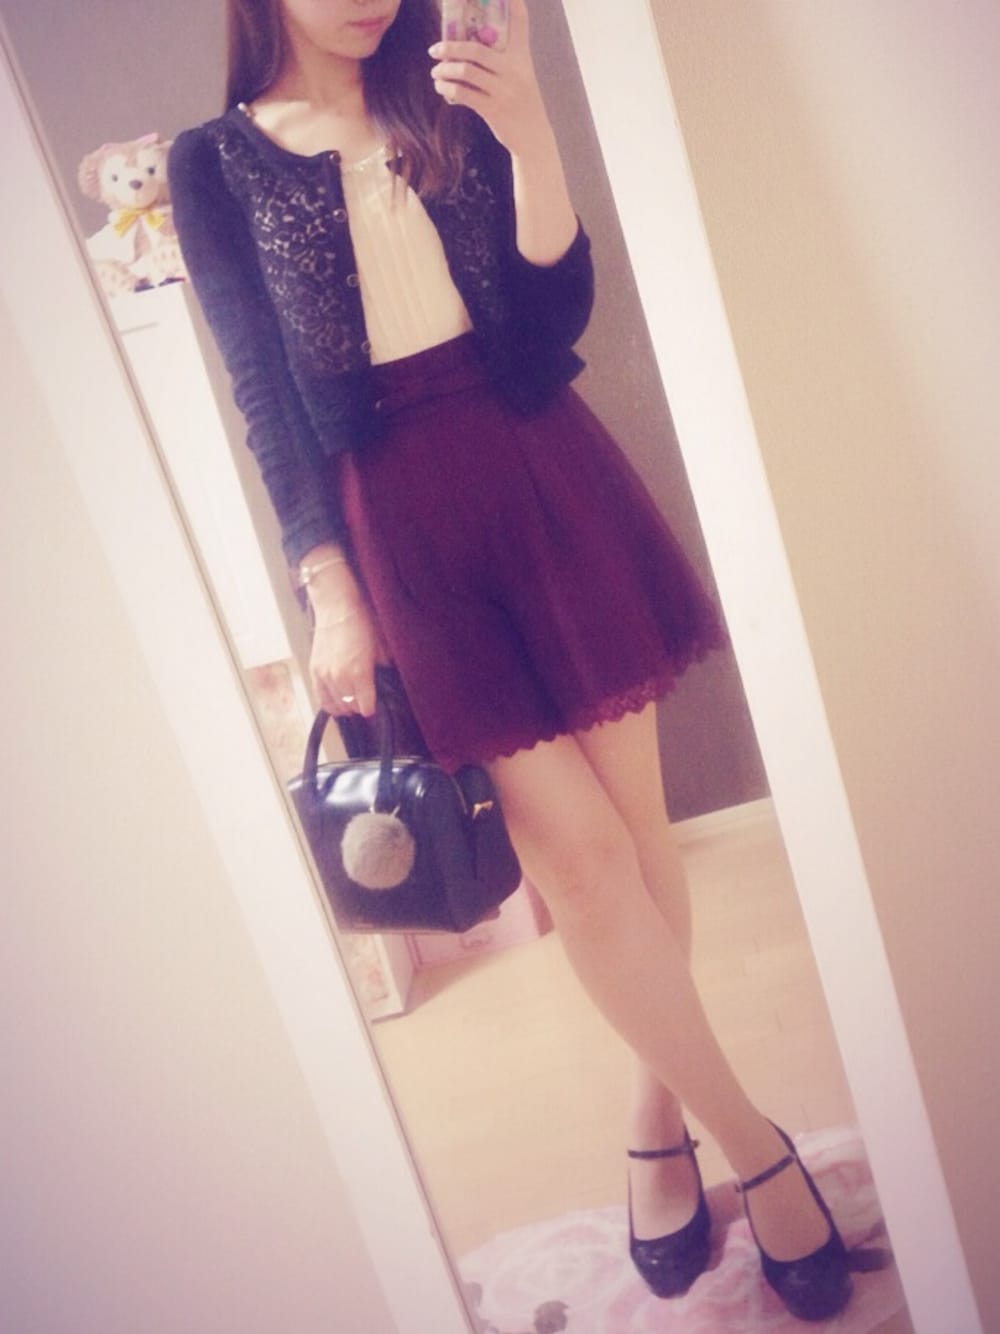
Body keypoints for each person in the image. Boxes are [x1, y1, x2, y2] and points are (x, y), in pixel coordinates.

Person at [169, 0, 859, 1319]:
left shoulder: (447, 91)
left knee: (638, 843)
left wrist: (531, 126)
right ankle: (754, 1142)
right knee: (582, 863)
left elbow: (549, 321)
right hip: (396, 521)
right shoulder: (214, 163)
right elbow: (266, 400)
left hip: (536, 460)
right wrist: (328, 589)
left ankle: (654, 1120)